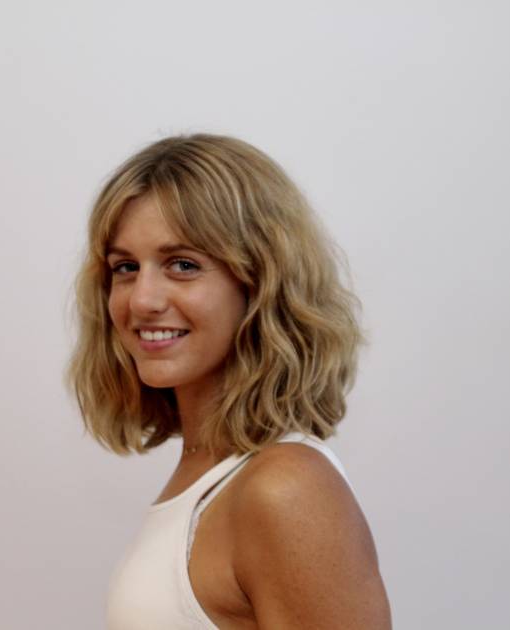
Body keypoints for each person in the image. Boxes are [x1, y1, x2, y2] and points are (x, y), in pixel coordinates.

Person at [65, 133, 392, 629]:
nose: (142, 300)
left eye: (183, 265)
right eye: (125, 267)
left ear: (260, 283)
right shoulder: (210, 474)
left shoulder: (286, 487)